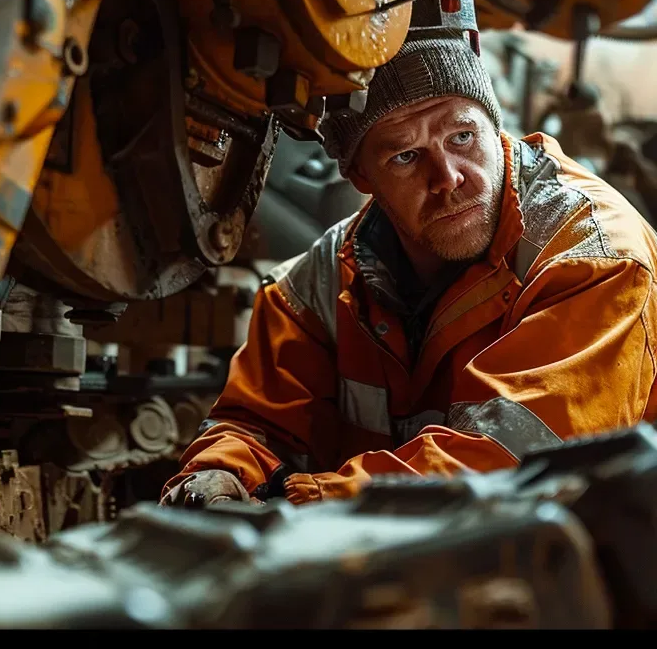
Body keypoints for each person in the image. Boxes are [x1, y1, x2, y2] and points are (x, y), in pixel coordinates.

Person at [160, 30, 657, 508]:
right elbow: (254, 427)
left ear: (494, 123)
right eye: (405, 156)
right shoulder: (312, 291)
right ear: (359, 175)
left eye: (463, 136)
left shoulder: (593, 255)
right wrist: (220, 474)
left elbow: (516, 465)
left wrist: (299, 502)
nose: (447, 178)